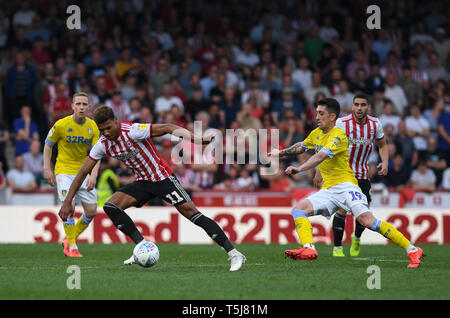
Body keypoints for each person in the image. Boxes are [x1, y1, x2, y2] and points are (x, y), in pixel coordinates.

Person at [57, 105, 246, 271]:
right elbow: (82, 173)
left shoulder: (132, 131)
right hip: (143, 182)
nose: (105, 132)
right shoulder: (103, 145)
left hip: (163, 178)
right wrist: (67, 202)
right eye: (101, 130)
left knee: (192, 214)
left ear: (116, 120)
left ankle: (234, 253)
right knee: (111, 207)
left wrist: (197, 140)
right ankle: (141, 247)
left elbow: (168, 127)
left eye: (108, 127)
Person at [269, 98, 423, 268]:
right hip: (329, 190)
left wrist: (300, 168)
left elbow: (320, 156)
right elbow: (302, 146)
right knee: (298, 210)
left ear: (332, 116)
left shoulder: (339, 136)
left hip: (346, 186)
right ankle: (309, 248)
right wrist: (281, 152)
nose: (317, 117)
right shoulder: (316, 133)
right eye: (316, 113)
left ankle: (412, 249)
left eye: (321, 114)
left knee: (367, 221)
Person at [314, 93, 389, 257]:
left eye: (363, 105)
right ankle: (337, 248)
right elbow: (326, 148)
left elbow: (382, 145)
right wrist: (319, 172)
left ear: (368, 107)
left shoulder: (375, 124)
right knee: (341, 210)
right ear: (353, 106)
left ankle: (356, 237)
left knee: (364, 212)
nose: (359, 108)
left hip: (363, 174)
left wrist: (385, 161)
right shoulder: (341, 123)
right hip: (343, 174)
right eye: (357, 105)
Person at [43, 92, 101, 258]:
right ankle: (73, 248)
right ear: (72, 106)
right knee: (70, 207)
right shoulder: (61, 125)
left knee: (91, 211)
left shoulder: (92, 127)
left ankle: (69, 238)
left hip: (82, 171)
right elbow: (48, 146)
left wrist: (93, 175)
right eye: (78, 104)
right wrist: (47, 168)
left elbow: (97, 153)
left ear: (89, 107)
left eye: (84, 104)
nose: (81, 107)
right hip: (64, 171)